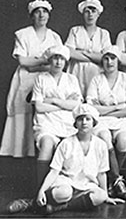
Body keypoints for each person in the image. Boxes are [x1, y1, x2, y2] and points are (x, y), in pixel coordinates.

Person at [6, 104, 125, 214]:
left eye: (88, 119)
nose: (84, 122)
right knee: (64, 192)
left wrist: (106, 195)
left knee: (101, 196)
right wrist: (41, 190)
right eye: (80, 119)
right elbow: (54, 171)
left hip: (87, 185)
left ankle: (57, 208)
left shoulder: (101, 145)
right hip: (66, 183)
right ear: (75, 123)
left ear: (93, 122)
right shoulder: (66, 143)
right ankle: (30, 203)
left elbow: (101, 173)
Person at [0, 0, 63, 158]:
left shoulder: (55, 37)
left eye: (44, 11)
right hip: (26, 80)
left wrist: (35, 63)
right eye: (37, 11)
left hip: (48, 79)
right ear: (31, 16)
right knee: (25, 112)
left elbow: (58, 63)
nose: (41, 15)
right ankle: (23, 152)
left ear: (49, 15)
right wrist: (44, 60)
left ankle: (45, 151)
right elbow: (23, 61)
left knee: (45, 112)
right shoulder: (23, 34)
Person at [86, 45, 126, 200]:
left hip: (123, 120)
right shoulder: (96, 80)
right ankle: (117, 180)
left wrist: (105, 108)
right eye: (106, 59)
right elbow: (92, 109)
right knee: (105, 137)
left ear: (118, 60)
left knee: (122, 140)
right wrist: (116, 107)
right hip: (101, 120)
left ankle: (111, 179)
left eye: (113, 58)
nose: (109, 62)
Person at [31, 45, 83, 187]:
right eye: (55, 58)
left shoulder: (72, 79)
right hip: (46, 123)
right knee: (47, 144)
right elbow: (39, 107)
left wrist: (53, 100)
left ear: (66, 62)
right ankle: (41, 189)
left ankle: (68, 186)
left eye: (61, 59)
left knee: (72, 147)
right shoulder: (41, 79)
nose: (58, 62)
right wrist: (65, 104)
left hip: (68, 123)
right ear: (50, 60)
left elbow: (76, 105)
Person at [65, 0, 112, 97]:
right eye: (87, 11)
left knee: (94, 99)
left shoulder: (103, 33)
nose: (90, 14)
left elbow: (105, 57)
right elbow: (69, 52)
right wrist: (94, 55)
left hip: (96, 72)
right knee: (76, 100)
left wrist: (82, 52)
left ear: (98, 14)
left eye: (93, 11)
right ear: (83, 14)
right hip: (76, 71)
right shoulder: (75, 30)